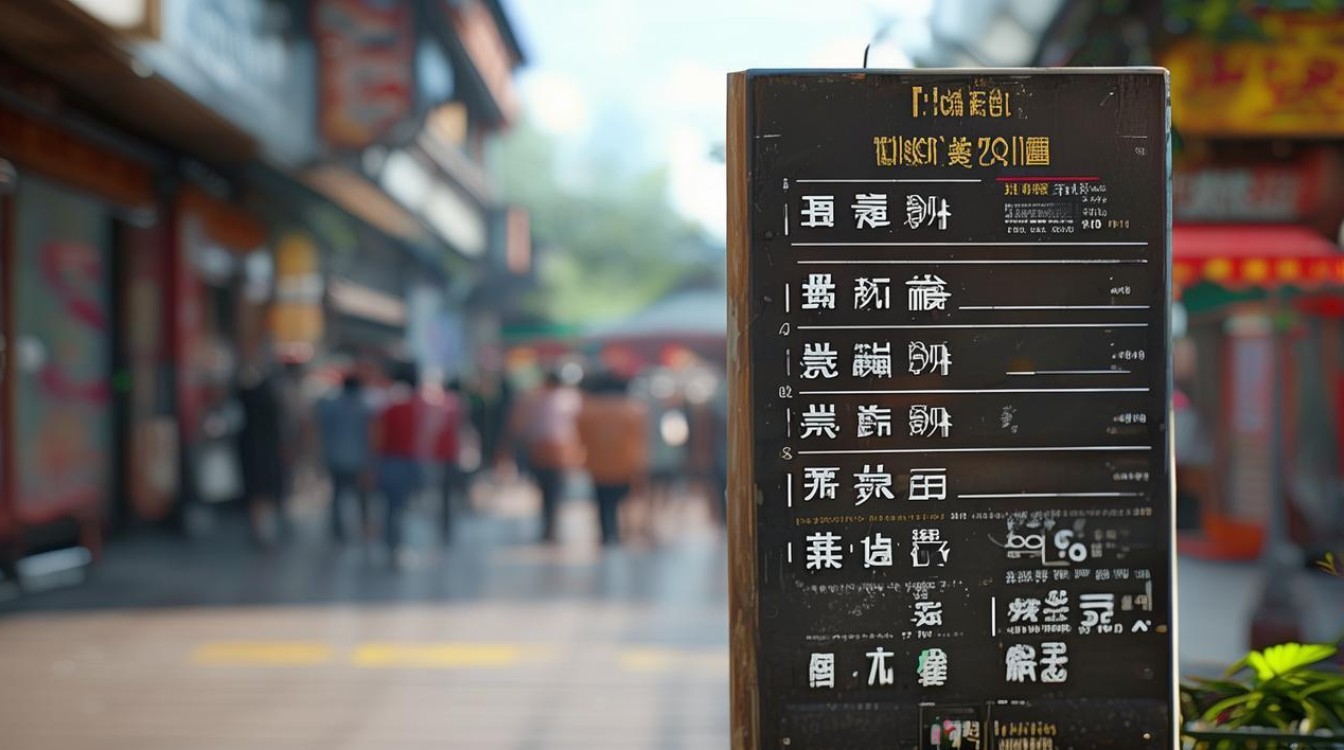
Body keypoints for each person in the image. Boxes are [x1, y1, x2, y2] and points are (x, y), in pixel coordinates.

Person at [505, 371, 582, 543]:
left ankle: (549, 526)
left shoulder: (535, 399)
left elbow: (519, 424)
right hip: (554, 452)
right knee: (553, 491)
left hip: (545, 451)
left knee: (548, 491)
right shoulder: (568, 399)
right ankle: (551, 526)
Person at [576, 373, 648, 546]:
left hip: (597, 464)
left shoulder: (589, 410)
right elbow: (640, 440)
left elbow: (581, 438)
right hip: (625, 463)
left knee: (603, 503)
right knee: (623, 501)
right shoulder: (633, 410)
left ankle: (607, 534)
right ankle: (622, 532)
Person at [371, 363, 425, 565]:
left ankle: (391, 543)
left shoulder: (386, 405)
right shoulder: (416, 406)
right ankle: (395, 544)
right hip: (406, 460)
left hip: (391, 460)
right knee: (399, 508)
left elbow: (377, 434)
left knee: (391, 508)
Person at [316, 374, 373, 542]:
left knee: (338, 496)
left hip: (336, 457)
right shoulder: (364, 406)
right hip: (359, 458)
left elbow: (322, 430)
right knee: (362, 497)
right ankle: (364, 527)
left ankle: (338, 530)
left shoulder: (330, 405)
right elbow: (371, 435)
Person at [236, 364, 288, 547]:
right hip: (268, 451)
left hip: (251, 450)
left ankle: (261, 530)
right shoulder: (272, 403)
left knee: (257, 493)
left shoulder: (247, 400)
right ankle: (267, 530)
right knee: (267, 492)